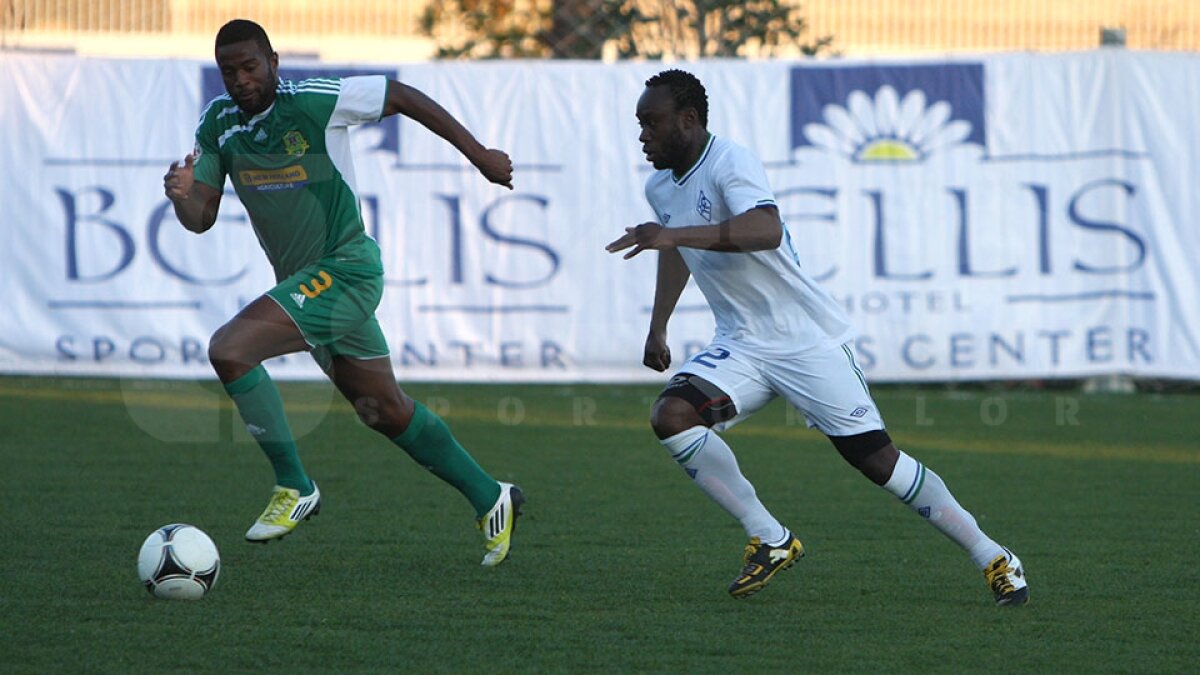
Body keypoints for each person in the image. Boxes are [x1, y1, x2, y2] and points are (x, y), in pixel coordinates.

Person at [606, 69, 1027, 604]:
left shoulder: (730, 161)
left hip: (806, 341)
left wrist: (674, 235)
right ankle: (770, 536)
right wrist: (658, 324)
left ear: (687, 120)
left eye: (651, 123)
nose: (643, 135)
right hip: (741, 344)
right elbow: (678, 251)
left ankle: (993, 555)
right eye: (639, 124)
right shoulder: (660, 185)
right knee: (671, 415)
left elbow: (765, 230)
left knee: (879, 463)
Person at [163, 19, 523, 566]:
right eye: (228, 71)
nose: (239, 79)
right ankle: (490, 496)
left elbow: (400, 95)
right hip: (309, 286)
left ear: (274, 63)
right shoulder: (219, 123)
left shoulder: (312, 102)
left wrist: (478, 154)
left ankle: (295, 486)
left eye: (250, 66)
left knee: (230, 349)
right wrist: (181, 195)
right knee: (383, 410)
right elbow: (201, 218)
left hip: (347, 269)